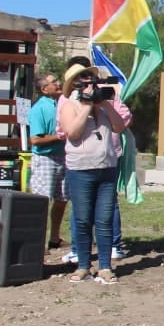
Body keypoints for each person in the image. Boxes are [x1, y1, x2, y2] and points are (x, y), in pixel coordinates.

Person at [58, 58, 132, 285]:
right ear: (73, 84)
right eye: (82, 78)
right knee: (82, 219)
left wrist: (104, 104)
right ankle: (82, 265)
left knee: (104, 218)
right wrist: (87, 105)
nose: (88, 80)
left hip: (107, 168)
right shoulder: (68, 104)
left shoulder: (103, 102)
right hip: (80, 169)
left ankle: (105, 267)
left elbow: (120, 126)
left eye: (89, 76)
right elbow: (72, 132)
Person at [28, 72, 70, 253]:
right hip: (45, 159)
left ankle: (54, 238)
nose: (58, 83)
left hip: (63, 157)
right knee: (42, 201)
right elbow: (35, 140)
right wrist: (59, 136)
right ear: (44, 89)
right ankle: (37, 240)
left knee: (61, 199)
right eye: (54, 82)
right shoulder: (38, 109)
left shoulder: (61, 104)